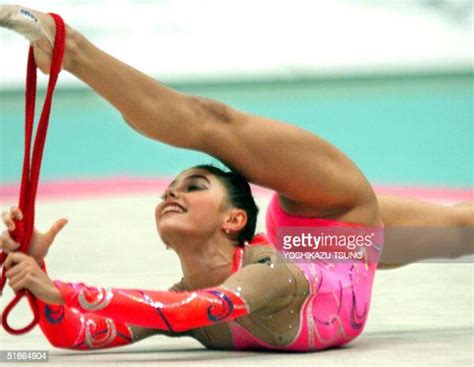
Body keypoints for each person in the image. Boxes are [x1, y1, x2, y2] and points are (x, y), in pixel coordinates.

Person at [0, 5, 472, 351]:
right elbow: (78, 336)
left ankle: (70, 46)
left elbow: (184, 309)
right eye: (175, 187)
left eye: (193, 186)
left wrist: (56, 289)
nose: (171, 191)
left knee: (212, 122)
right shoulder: (199, 298)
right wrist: (37, 276)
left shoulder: (265, 278)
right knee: (458, 235)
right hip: (341, 241)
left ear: (234, 219)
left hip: (327, 205)